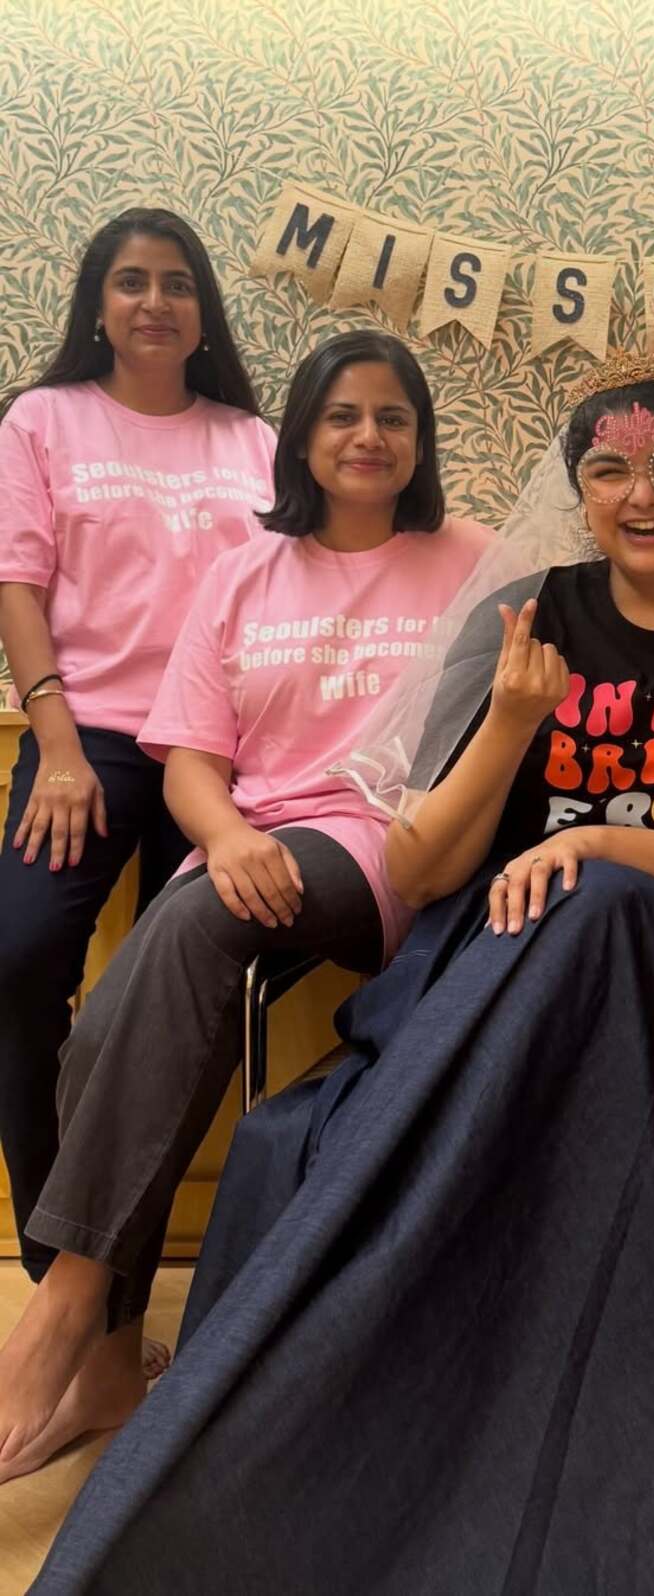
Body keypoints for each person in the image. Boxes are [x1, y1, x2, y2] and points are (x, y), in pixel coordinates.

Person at [30, 354, 654, 1595]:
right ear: (578, 491)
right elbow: (418, 857)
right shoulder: (517, 616)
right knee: (286, 1139)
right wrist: (515, 727)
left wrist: (589, 839)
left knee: (608, 907)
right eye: (609, 468)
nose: (644, 492)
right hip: (509, 968)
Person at [0, 330, 491, 1484]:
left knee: (195, 924)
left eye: (393, 418)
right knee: (100, 1033)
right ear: (303, 439)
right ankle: (114, 1365)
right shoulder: (242, 571)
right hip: (248, 842)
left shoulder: (469, 559)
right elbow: (190, 765)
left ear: (418, 442)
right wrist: (220, 833)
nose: (368, 437)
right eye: (341, 415)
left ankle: (66, 1302)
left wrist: (237, 847)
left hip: (389, 844)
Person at [0, 207, 274, 1397]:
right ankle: (75, 1285)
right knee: (15, 963)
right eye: (129, 282)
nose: (154, 302)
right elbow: (18, 581)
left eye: (175, 283)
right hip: (92, 738)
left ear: (203, 309)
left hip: (217, 748)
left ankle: (112, 1323)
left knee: (183, 1000)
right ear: (96, 305)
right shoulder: (43, 418)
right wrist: (53, 738)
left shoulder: (252, 436)